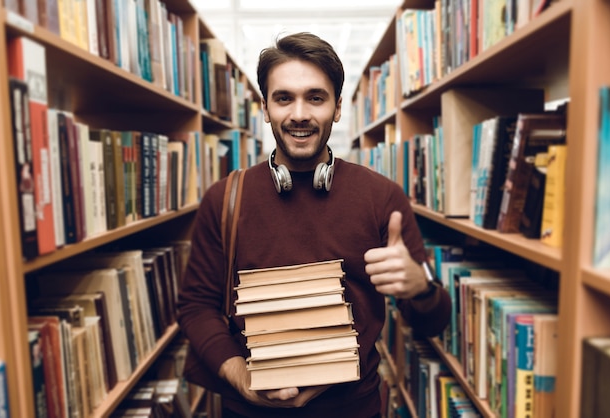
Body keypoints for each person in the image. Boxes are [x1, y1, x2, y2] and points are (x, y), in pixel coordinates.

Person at [178, 32, 451, 418]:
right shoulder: (224, 199)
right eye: (284, 98)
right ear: (265, 107)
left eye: (316, 97)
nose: (300, 114)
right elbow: (196, 307)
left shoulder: (382, 197)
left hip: (356, 410)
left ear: (337, 108)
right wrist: (243, 379)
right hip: (246, 411)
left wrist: (421, 289)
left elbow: (433, 322)